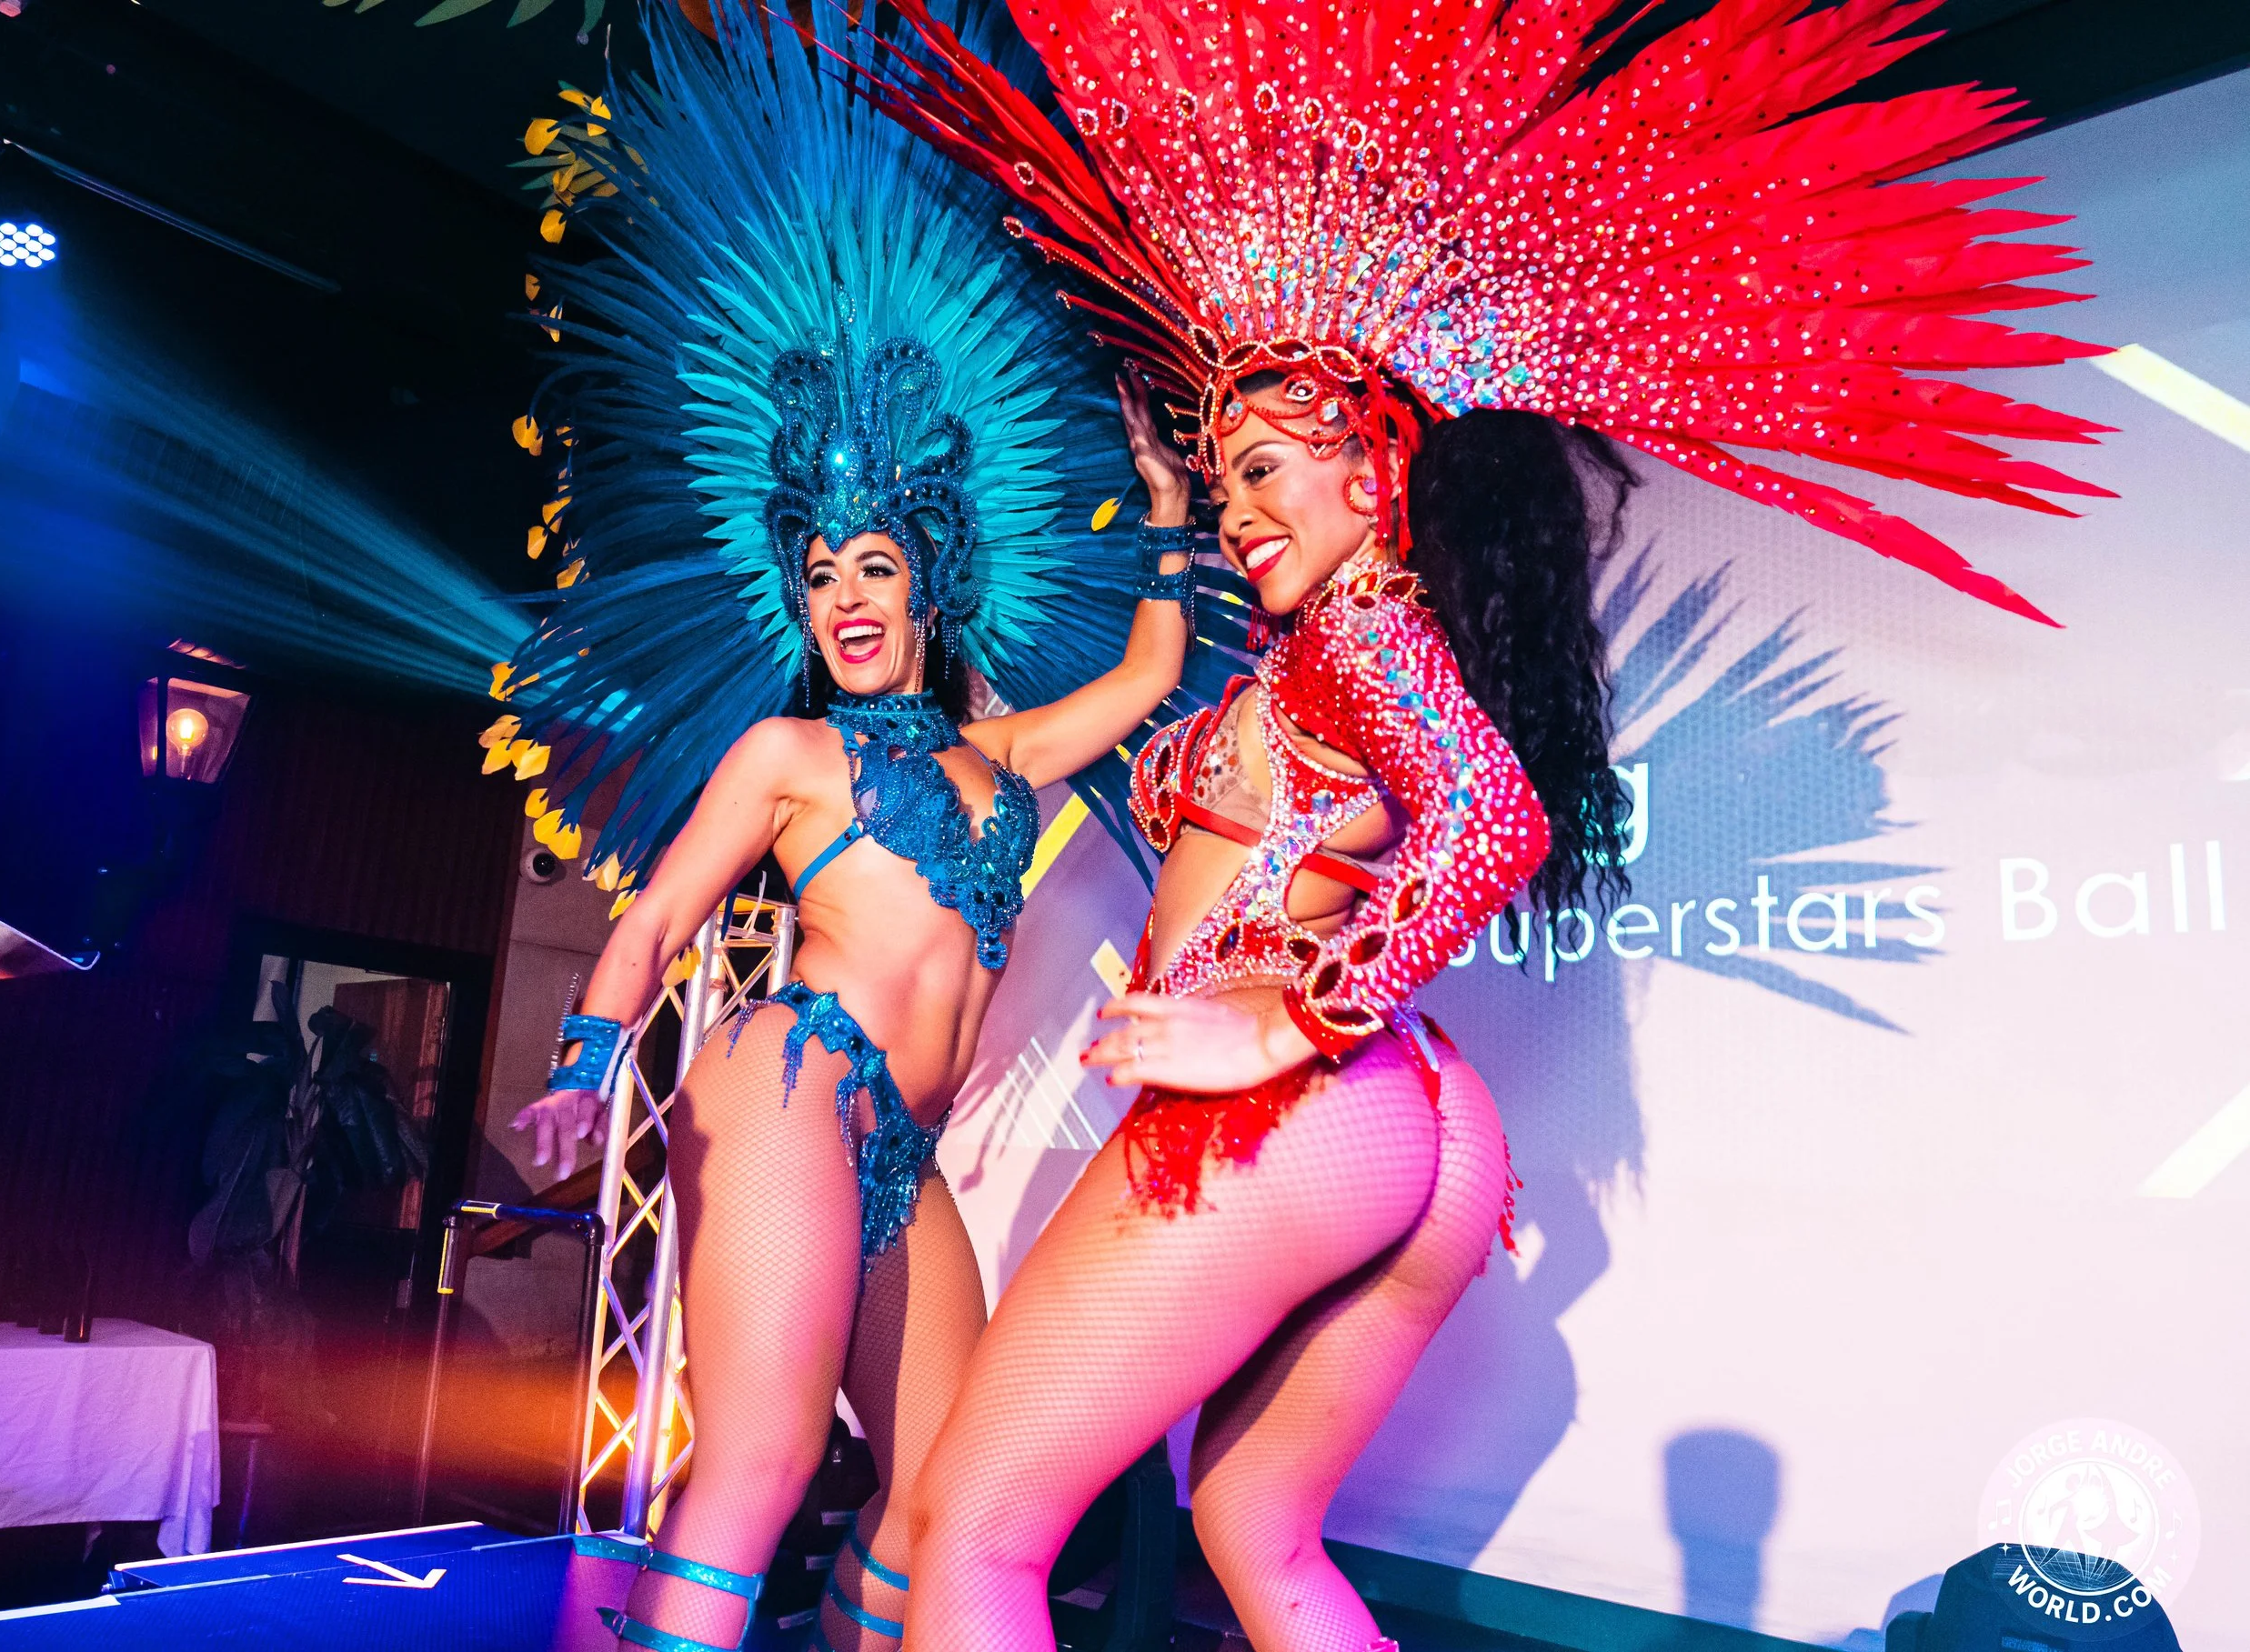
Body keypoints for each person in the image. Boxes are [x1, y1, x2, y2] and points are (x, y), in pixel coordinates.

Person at [851, 0, 2112, 1646]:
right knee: (1257, 1529)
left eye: (1261, 474)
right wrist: (1165, 542)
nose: (1239, 514)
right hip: (1418, 1128)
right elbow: (1199, 761)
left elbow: (1493, 818)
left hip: (1291, 1112)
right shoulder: (1325, 652)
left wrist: (1282, 1027)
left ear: (1373, 475)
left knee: (966, 1530)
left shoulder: (1369, 621)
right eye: (1221, 485)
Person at [487, 7, 1235, 1648]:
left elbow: (1163, 664)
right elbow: (651, 920)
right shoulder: (784, 753)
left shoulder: (1015, 751)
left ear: (932, 584)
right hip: (788, 1085)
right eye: (819, 576)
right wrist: (578, 1067)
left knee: (946, 1497)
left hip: (901, 1149)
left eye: (874, 570)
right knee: (751, 1462)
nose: (841, 602)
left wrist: (1173, 515)